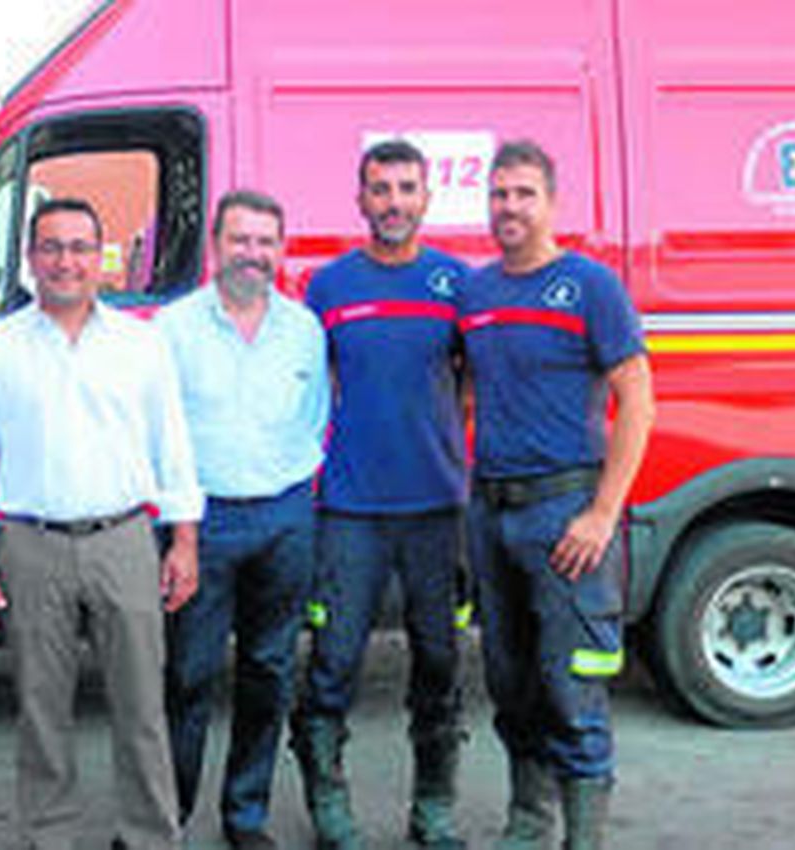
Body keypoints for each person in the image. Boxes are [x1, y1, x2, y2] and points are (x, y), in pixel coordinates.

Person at [0, 197, 204, 850]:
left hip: (124, 541)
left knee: (141, 708)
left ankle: (150, 835)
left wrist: (183, 540)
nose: (66, 261)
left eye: (80, 247)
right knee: (41, 711)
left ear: (102, 259)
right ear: (32, 258)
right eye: (52, 247)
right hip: (30, 545)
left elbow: (172, 444)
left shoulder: (142, 345)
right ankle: (51, 837)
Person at [459, 140, 654, 850]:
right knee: (510, 683)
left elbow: (637, 400)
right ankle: (528, 821)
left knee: (572, 687)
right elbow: (462, 391)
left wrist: (602, 513)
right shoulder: (475, 294)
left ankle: (583, 837)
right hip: (491, 511)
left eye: (523, 194)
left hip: (564, 512)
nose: (509, 207)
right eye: (499, 194)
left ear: (552, 202)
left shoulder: (591, 286)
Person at [289, 139, 472, 850]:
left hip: (436, 509)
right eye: (380, 188)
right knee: (333, 661)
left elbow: (473, 382)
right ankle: (329, 804)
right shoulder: (329, 287)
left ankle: (434, 807)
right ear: (360, 198)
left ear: (425, 198)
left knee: (439, 662)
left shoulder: (457, 284)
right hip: (350, 511)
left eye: (406, 188)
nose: (393, 201)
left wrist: (456, 457)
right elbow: (313, 388)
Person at [156, 190, 328, 850]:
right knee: (187, 675)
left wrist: (289, 491)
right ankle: (166, 818)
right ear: (215, 246)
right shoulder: (174, 329)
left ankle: (245, 816)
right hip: (202, 525)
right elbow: (162, 435)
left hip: (286, 517)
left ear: (279, 251)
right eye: (240, 239)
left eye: (265, 242)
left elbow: (313, 419)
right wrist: (181, 533)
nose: (253, 253)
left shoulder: (304, 329)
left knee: (269, 670)